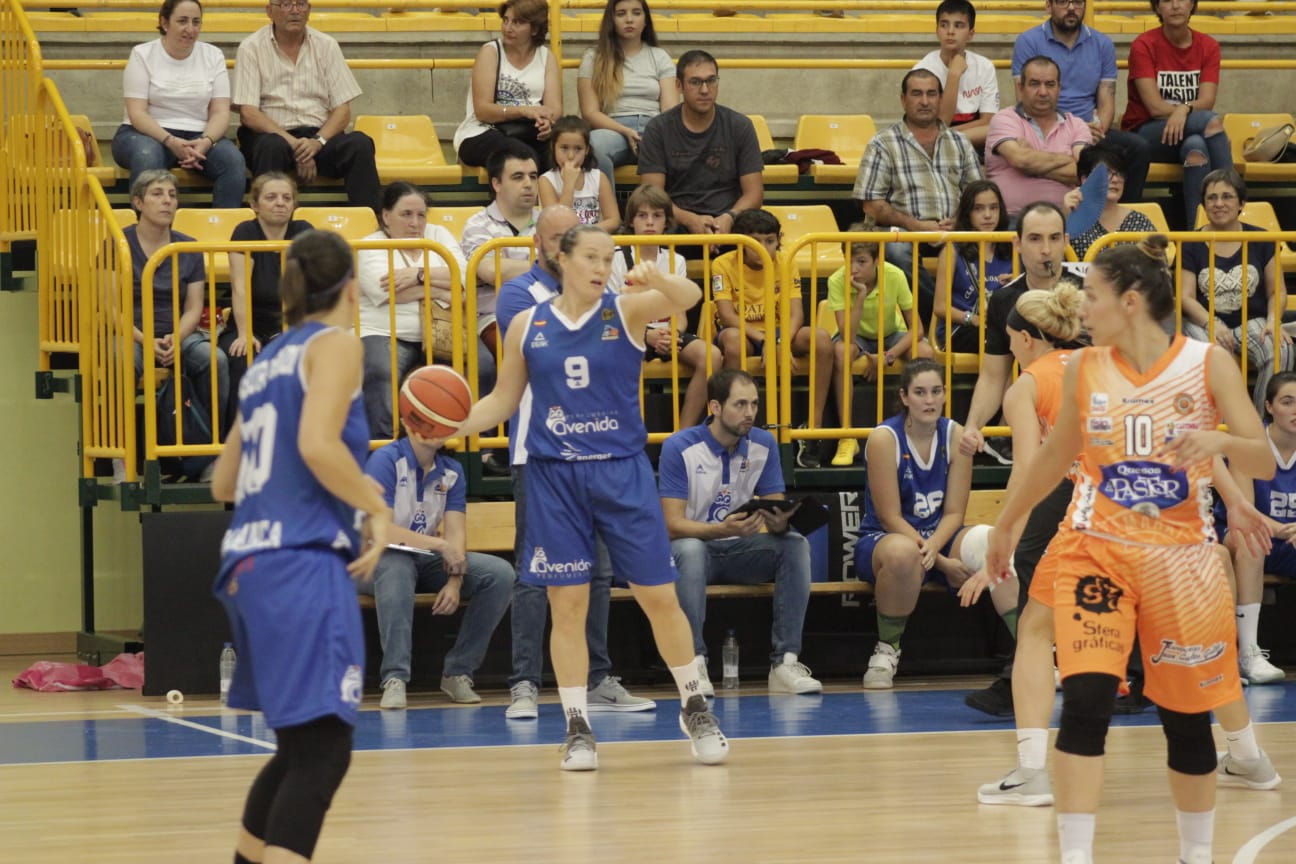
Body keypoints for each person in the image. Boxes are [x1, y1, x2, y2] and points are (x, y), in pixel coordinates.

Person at [981, 236, 1276, 863]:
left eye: (1093, 297)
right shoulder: (1085, 369)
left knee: (1185, 719)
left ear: (1131, 301)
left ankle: (1196, 854)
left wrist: (1215, 440)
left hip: (1183, 561)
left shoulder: (1206, 364)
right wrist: (1006, 525)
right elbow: (1053, 459)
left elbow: (1259, 454)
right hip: (1097, 552)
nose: (1082, 309)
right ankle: (1076, 856)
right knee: (1087, 703)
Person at [454, 225, 729, 771]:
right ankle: (577, 725)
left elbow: (691, 297)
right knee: (568, 604)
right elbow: (503, 401)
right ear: (561, 259)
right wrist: (451, 424)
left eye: (609, 258)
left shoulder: (625, 310)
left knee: (658, 597)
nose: (602, 266)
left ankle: (694, 704)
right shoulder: (527, 325)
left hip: (621, 472)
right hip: (555, 476)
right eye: (591, 257)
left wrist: (662, 279)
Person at [209, 229, 392, 864]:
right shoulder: (335, 342)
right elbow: (316, 445)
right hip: (300, 562)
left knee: (297, 747)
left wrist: (350, 483)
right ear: (349, 287)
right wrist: (375, 504)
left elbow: (224, 482)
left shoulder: (266, 358)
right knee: (322, 752)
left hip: (249, 562)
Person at [495, 205, 657, 719]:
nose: (596, 261)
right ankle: (524, 680)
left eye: (603, 254)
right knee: (537, 574)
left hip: (608, 456)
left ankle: (597, 677)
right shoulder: (521, 299)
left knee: (600, 575)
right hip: (539, 451)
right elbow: (507, 390)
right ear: (549, 249)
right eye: (569, 241)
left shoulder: (612, 303)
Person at [957, 201, 1084, 716]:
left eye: (1055, 237)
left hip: (1098, 461)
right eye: (1036, 238)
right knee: (1040, 559)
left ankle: (1109, 675)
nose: (1047, 249)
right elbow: (992, 373)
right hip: (1075, 461)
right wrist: (972, 423)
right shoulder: (1006, 304)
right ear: (1019, 244)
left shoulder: (1086, 287)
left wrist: (1004, 535)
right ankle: (1037, 668)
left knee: (1033, 557)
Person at [855, 358, 1019, 689]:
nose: (929, 400)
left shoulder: (956, 434)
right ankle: (887, 650)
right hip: (886, 539)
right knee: (904, 553)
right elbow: (890, 516)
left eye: (936, 392)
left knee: (992, 541)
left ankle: (1036, 652)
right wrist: (940, 561)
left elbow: (955, 512)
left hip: (941, 536)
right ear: (904, 397)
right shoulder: (884, 438)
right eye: (919, 392)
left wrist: (935, 548)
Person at [659, 369, 822, 697]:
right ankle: (694, 666)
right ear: (715, 407)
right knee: (689, 550)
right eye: (740, 404)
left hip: (741, 549)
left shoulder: (764, 443)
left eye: (754, 404)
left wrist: (780, 521)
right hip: (692, 551)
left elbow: (775, 508)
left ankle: (785, 663)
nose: (750, 413)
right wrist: (718, 530)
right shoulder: (679, 447)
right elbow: (671, 525)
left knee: (794, 545)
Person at [358, 419, 515, 708]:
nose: (434, 429)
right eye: (428, 419)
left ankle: (457, 672)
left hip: (423, 558)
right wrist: (439, 545)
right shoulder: (385, 460)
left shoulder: (452, 471)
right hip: (372, 559)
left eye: (443, 422)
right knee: (396, 567)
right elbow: (380, 531)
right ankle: (395, 678)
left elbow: (456, 534)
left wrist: (455, 580)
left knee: (499, 574)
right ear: (409, 422)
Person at [853, 67, 983, 318]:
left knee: (997, 241)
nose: (925, 101)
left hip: (953, 229)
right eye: (916, 94)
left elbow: (977, 193)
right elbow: (871, 205)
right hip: (902, 231)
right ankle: (938, 316)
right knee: (897, 251)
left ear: (940, 99)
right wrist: (917, 226)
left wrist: (958, 219)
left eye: (931, 94)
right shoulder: (882, 143)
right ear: (903, 99)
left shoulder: (959, 142)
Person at [712, 208, 834, 469]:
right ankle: (738, 429)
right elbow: (727, 315)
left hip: (780, 332)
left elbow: (796, 314)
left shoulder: (786, 261)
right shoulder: (722, 264)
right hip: (744, 331)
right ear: (741, 241)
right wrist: (765, 340)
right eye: (756, 241)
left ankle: (812, 429)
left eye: (770, 240)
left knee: (821, 339)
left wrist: (780, 342)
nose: (764, 247)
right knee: (732, 341)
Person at [231, 0, 381, 212]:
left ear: (309, 10)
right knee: (271, 146)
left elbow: (343, 110)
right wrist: (297, 145)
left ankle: (373, 231)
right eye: (285, 4)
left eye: (301, 4)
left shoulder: (326, 45)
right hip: (271, 136)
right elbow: (249, 114)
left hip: (319, 136)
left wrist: (316, 143)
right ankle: (266, 233)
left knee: (359, 144)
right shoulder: (251, 47)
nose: (294, 10)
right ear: (269, 11)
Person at [356, 182, 470, 440]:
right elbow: (384, 290)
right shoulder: (369, 245)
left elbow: (463, 276)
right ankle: (383, 446)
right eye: (406, 215)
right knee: (380, 371)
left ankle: (473, 449)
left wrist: (417, 276)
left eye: (421, 215)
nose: (415, 223)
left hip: (444, 329)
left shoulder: (437, 234)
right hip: (383, 331)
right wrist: (440, 290)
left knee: (481, 365)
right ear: (386, 216)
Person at [111, 0, 246, 208]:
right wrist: (171, 141)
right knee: (148, 156)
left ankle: (223, 234)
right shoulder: (142, 54)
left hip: (198, 137)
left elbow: (220, 112)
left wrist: (206, 141)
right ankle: (146, 233)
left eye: (196, 22)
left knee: (233, 161)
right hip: (145, 133)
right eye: (182, 21)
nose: (190, 29)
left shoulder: (213, 55)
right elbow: (137, 113)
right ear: (164, 23)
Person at [1013, 0, 1150, 202]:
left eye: (1077, 2)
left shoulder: (1102, 44)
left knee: (1138, 148)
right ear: (1048, 6)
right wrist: (1067, 131)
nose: (1071, 8)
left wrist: (1095, 128)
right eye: (1062, 2)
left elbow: (1106, 101)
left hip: (1089, 129)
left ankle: (1124, 218)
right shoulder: (1028, 41)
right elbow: (1026, 98)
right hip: (1046, 126)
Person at [608, 185, 721, 428]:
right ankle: (630, 431)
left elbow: (679, 312)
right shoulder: (616, 257)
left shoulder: (675, 259)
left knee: (711, 355)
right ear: (631, 222)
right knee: (626, 356)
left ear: (666, 221)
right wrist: (648, 336)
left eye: (657, 216)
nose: (650, 222)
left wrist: (674, 334)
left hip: (667, 332)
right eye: (642, 215)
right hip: (630, 334)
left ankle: (683, 435)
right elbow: (612, 312)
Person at [1179, 168, 1291, 414]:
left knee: (1280, 348)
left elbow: (1277, 291)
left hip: (1252, 320)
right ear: (1204, 204)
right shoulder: (1190, 242)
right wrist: (1212, 324)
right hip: (1205, 321)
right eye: (1212, 198)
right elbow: (1185, 297)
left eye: (1227, 197)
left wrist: (1273, 321)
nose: (1219, 203)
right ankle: (1227, 427)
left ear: (1241, 203)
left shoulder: (1262, 238)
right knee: (1218, 356)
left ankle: (1262, 426)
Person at [126, 169, 228, 426]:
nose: (167, 201)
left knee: (214, 359)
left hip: (178, 335)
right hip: (131, 334)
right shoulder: (117, 244)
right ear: (138, 202)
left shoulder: (188, 246)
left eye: (172, 195)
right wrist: (146, 340)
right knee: (121, 361)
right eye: (157, 194)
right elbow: (110, 310)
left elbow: (194, 307)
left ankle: (208, 449)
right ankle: (120, 453)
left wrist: (176, 338)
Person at [1120, 0, 1231, 228]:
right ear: (1157, 7)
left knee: (1196, 147)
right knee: (1211, 122)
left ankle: (1197, 237)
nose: (1175, 6)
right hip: (1147, 134)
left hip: (1188, 131)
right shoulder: (1144, 45)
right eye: (1167, 0)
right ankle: (1233, 207)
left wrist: (1184, 109)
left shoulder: (1208, 45)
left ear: (1192, 4)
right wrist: (1187, 111)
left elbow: (1207, 99)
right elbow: (1155, 108)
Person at [827, 233, 935, 467]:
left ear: (877, 260)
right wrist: (860, 297)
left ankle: (922, 431)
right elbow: (847, 335)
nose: (854, 268)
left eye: (862, 261)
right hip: (857, 336)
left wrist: (888, 356)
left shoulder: (894, 275)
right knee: (841, 351)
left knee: (925, 353)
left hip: (889, 335)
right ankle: (847, 436)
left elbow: (916, 328)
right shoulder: (838, 280)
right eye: (850, 261)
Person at [638, 50, 764, 250]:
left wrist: (729, 218)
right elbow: (652, 196)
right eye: (695, 82)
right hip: (677, 223)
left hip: (729, 223)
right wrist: (690, 220)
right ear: (679, 86)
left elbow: (754, 193)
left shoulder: (740, 125)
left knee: (763, 240)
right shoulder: (658, 129)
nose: (705, 90)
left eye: (711, 81)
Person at [1225, 370, 1296, 684]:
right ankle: (1249, 653)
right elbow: (1245, 510)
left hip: (1288, 541)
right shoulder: (1249, 445)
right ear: (1269, 407)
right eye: (1287, 401)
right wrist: (1283, 530)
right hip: (1247, 533)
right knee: (1250, 539)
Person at [223, 172, 313, 408]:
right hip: (249, 325)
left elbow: (311, 287)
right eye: (271, 197)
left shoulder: (304, 231)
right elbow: (240, 289)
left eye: (286, 198)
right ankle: (241, 438)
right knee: (242, 358)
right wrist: (244, 333)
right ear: (255, 205)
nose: (280, 203)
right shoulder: (245, 232)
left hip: (292, 324)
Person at [577, 0, 675, 189]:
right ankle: (611, 216)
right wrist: (625, 131)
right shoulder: (593, 57)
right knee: (594, 146)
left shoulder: (659, 56)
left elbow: (670, 111)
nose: (629, 19)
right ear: (611, 20)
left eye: (636, 13)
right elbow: (590, 112)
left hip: (654, 128)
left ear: (645, 20)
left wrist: (655, 137)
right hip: (613, 130)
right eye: (621, 14)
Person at [453, 0, 560, 172]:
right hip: (481, 131)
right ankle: (509, 198)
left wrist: (547, 122)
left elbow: (554, 107)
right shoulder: (490, 52)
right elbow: (482, 111)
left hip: (527, 130)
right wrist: (523, 110)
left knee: (560, 151)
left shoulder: (546, 57)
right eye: (505, 20)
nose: (508, 28)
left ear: (535, 29)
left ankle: (553, 199)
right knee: (520, 156)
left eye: (517, 22)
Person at [461, 141, 541, 358]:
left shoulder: (550, 221)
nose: (528, 184)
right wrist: (551, 268)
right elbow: (490, 270)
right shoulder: (477, 224)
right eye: (518, 177)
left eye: (533, 176)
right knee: (530, 352)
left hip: (547, 313)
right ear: (496, 183)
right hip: (495, 317)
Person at [986, 55, 1092, 217]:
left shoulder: (1076, 125)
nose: (1043, 92)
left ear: (1059, 88)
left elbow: (1084, 172)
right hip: (1011, 220)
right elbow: (1020, 159)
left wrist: (1031, 165)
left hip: (1066, 217)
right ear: (1021, 87)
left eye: (1050, 85)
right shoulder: (1004, 119)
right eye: (1034, 84)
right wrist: (1067, 158)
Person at [932, 179, 1016, 354]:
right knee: (998, 339)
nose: (988, 215)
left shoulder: (1013, 248)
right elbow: (940, 307)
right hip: (960, 329)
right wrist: (973, 319)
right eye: (979, 209)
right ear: (967, 213)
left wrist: (1017, 283)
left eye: (994, 208)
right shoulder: (952, 250)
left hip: (1000, 326)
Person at [913, 0, 1000, 151]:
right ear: (937, 30)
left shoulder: (985, 66)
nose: (950, 31)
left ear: (971, 34)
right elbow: (941, 123)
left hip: (971, 139)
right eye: (944, 25)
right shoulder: (922, 70)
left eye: (958, 25)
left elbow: (988, 121)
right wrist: (953, 75)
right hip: (933, 142)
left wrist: (949, 136)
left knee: (1001, 129)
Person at [1063, 145, 1156, 260]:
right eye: (1106, 173)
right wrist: (1063, 216)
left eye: (1120, 173)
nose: (1115, 179)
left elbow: (1157, 268)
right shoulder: (1070, 218)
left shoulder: (1139, 221)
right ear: (1085, 179)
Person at [538, 116, 620, 232]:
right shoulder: (546, 180)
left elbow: (613, 220)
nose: (571, 156)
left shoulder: (599, 177)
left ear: (586, 150)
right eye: (564, 148)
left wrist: (585, 233)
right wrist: (568, 184)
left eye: (578, 149)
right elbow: (557, 224)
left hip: (593, 240)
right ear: (553, 147)